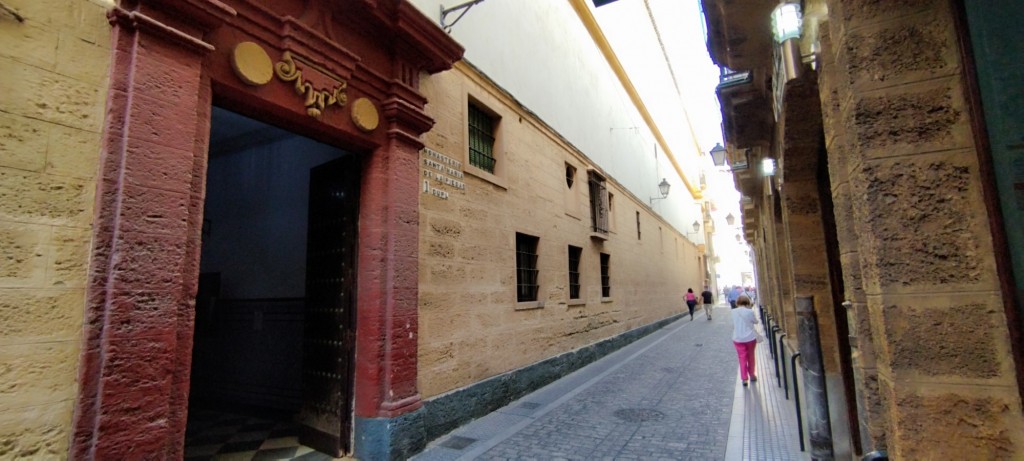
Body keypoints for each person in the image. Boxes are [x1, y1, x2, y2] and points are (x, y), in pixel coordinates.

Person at [731, 295, 759, 387]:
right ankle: (752, 375)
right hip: (750, 338)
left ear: (738, 302)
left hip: (738, 338)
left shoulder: (733, 312)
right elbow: (756, 322)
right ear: (747, 302)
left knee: (742, 358)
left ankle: (744, 379)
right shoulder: (750, 311)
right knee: (751, 356)